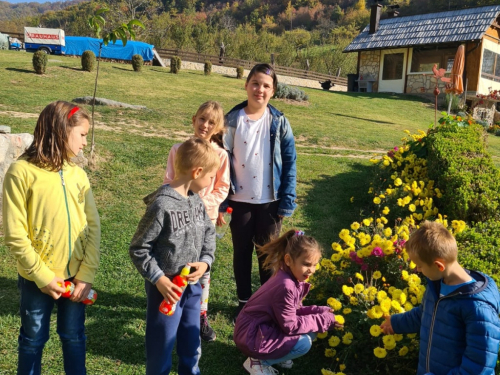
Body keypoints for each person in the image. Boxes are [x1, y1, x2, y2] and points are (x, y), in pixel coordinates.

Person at [2, 101, 101, 375]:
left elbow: (93, 225)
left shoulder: (78, 175)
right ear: (61, 130)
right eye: (82, 135)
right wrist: (43, 277)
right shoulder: (21, 172)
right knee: (33, 340)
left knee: (74, 337)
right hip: (37, 280)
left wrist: (86, 273)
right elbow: (15, 234)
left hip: (76, 279)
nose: (84, 143)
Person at [129, 137, 219, 375]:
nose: (212, 182)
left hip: (192, 289)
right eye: (211, 177)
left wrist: (205, 262)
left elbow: (209, 232)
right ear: (197, 171)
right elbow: (138, 249)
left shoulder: (196, 200)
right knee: (161, 347)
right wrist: (159, 279)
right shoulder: (161, 206)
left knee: (191, 344)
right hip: (166, 292)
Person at [223, 63, 297, 322]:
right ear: (246, 85)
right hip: (239, 201)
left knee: (267, 255)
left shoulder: (279, 121)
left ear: (273, 91)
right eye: (255, 83)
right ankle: (244, 302)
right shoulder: (232, 120)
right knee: (241, 253)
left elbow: (289, 162)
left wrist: (286, 201)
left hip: (270, 202)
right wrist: (221, 202)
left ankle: (264, 302)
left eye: (266, 85)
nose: (260, 89)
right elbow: (221, 162)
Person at [381, 221, 500, 375]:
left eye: (420, 265)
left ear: (439, 265)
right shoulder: (437, 285)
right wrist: (396, 323)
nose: (417, 269)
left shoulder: (477, 308)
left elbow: (479, 366)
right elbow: (424, 314)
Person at [163, 101, 230, 342]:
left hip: (206, 220)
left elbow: (223, 187)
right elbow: (168, 180)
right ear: (194, 119)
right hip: (179, 219)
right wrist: (181, 201)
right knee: (178, 261)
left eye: (211, 122)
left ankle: (200, 314)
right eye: (202, 119)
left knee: (202, 268)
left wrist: (202, 203)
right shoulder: (178, 149)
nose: (205, 125)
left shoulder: (221, 155)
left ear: (218, 127)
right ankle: (173, 304)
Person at [234, 229, 338, 375]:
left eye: (315, 265)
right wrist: (323, 320)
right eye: (307, 264)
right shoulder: (286, 286)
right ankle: (258, 363)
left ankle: (277, 355)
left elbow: (292, 312)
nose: (312, 270)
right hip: (251, 335)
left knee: (312, 329)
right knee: (304, 343)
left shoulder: (290, 277)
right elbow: (291, 325)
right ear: (288, 260)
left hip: (261, 329)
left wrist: (319, 311)